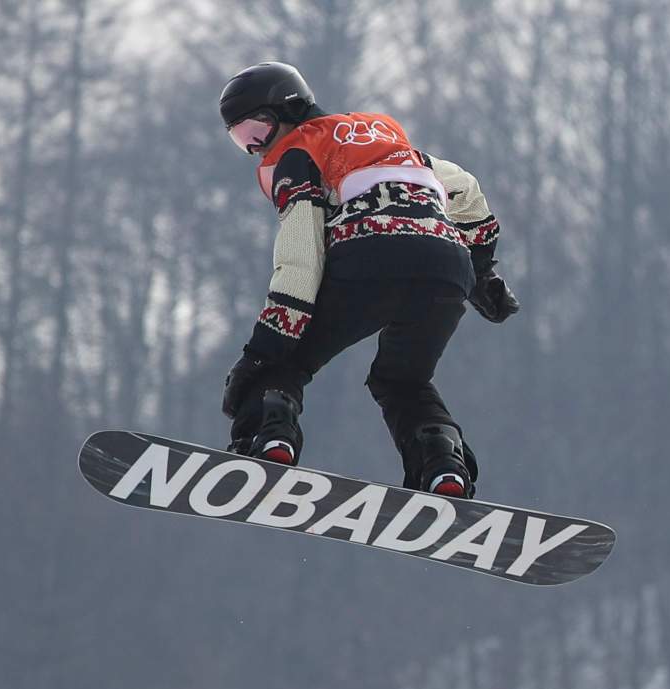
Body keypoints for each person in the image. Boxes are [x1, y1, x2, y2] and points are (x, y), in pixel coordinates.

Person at [217, 62, 519, 498]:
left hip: (370, 257)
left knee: (282, 364)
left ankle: (270, 440)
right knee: (403, 381)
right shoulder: (381, 133)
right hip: (446, 265)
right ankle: (442, 466)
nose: (255, 148)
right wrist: (482, 270)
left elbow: (301, 255)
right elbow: (466, 188)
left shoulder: (295, 154)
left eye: (257, 131)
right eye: (241, 139)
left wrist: (262, 350)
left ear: (290, 108)